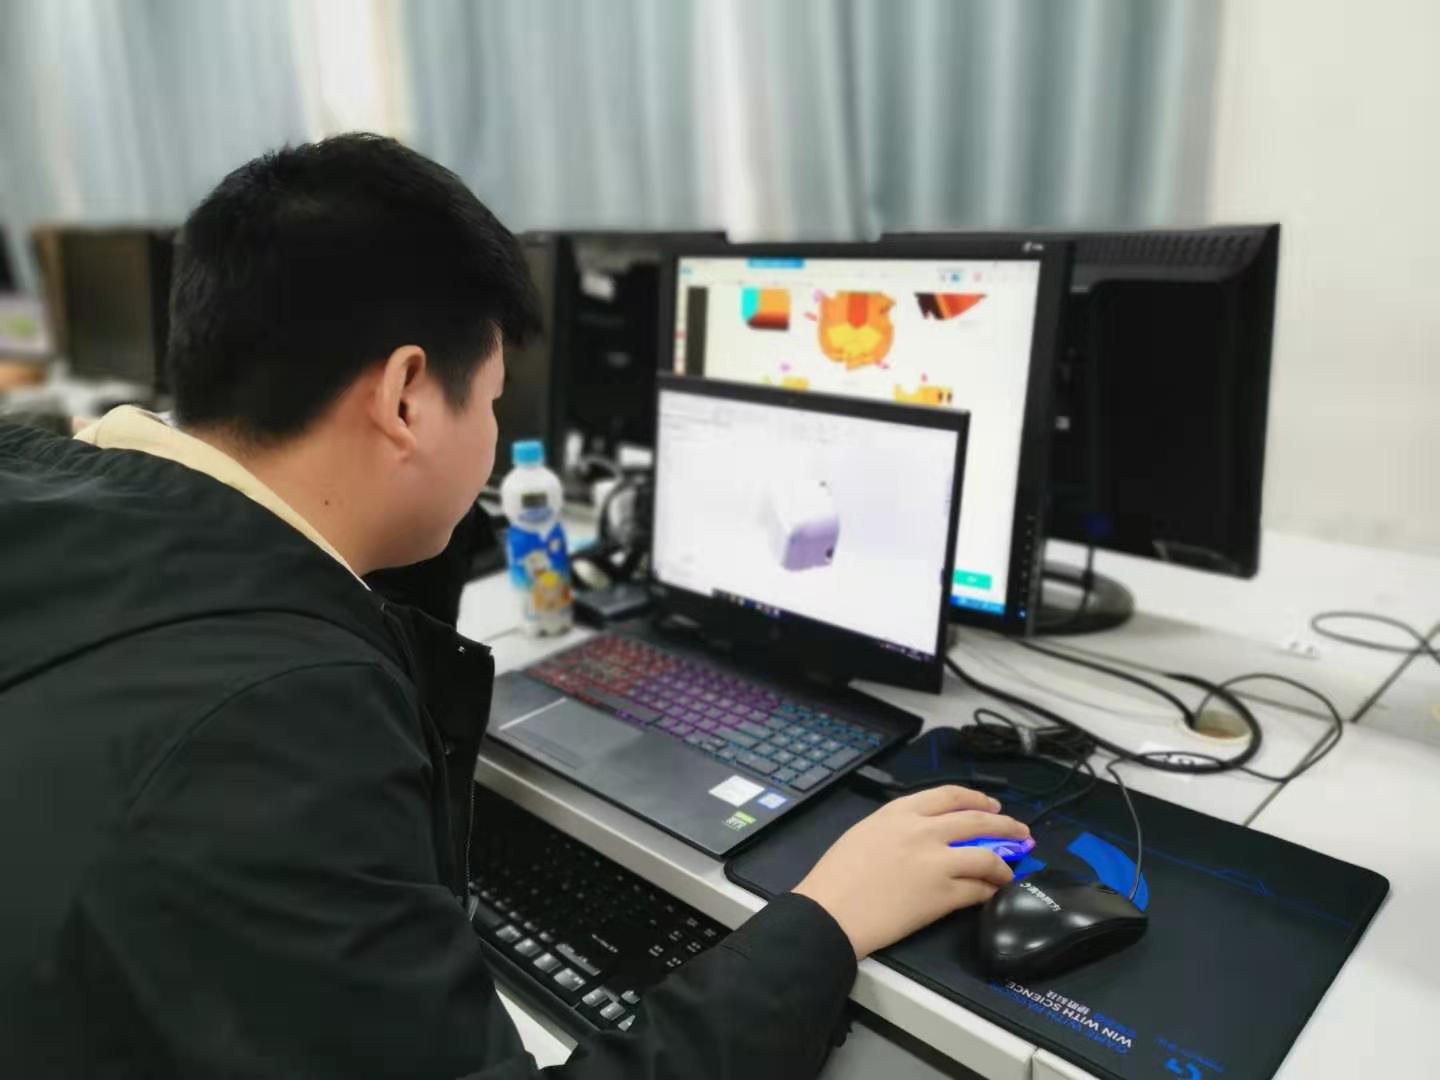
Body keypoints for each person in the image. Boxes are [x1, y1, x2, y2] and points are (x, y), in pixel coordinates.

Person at [0, 134, 1028, 1079]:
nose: (494, 437)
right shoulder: (283, 717)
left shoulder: (51, 510)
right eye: (492, 400)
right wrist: (826, 922)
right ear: (406, 396)